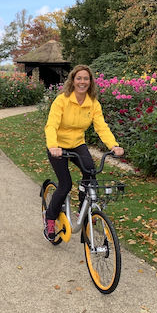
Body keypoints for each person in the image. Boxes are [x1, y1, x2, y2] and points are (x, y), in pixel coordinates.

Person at [43, 64, 124, 241]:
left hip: (78, 144)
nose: (82, 82)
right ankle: (49, 217)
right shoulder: (62, 100)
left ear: (90, 82)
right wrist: (53, 146)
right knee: (65, 184)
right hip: (58, 146)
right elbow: (51, 125)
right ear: (73, 80)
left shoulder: (92, 103)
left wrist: (113, 145)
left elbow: (101, 127)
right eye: (79, 78)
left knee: (91, 175)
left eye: (86, 78)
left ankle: (83, 211)